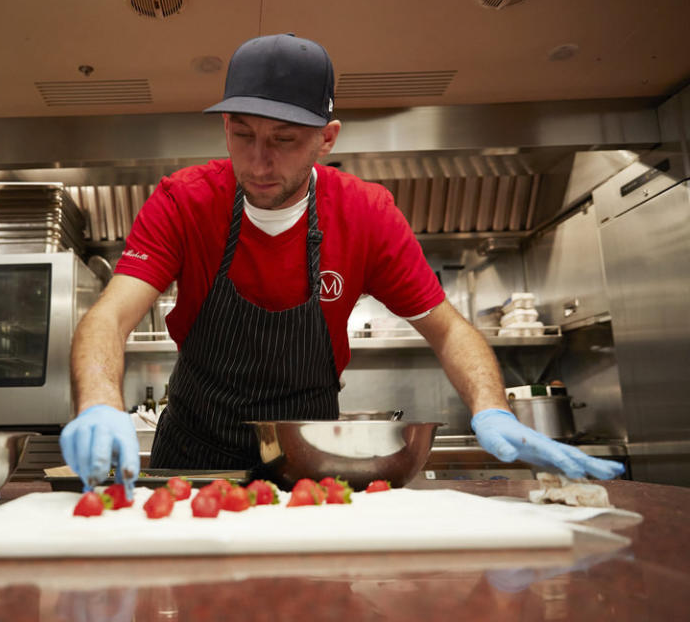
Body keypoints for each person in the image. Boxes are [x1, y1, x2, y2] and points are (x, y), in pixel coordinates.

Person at [60, 33, 625, 493]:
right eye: (242, 133)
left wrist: (493, 409)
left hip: (310, 454)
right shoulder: (185, 200)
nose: (259, 161)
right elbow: (107, 318)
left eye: (284, 139)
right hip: (194, 454)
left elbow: (448, 329)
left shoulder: (366, 213)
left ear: (326, 139)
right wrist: (101, 402)